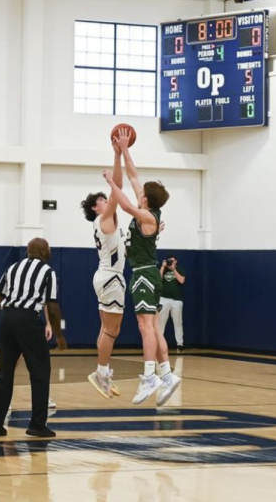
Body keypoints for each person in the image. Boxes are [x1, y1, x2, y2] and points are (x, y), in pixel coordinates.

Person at [103, 133, 180, 406]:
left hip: (144, 274)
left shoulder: (146, 215)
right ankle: (168, 375)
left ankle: (149, 377)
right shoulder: (149, 209)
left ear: (146, 199)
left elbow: (123, 205)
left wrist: (111, 182)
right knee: (155, 328)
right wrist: (123, 150)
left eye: (142, 193)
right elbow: (134, 175)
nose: (139, 191)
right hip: (146, 273)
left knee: (145, 326)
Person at [0, 238, 65, 438]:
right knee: (40, 372)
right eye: (48, 249)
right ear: (43, 252)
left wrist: (12, 309)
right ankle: (37, 425)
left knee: (5, 371)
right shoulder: (48, 272)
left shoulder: (12, 268)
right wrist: (59, 335)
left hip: (6, 319)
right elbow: (53, 307)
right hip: (29, 321)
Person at [82, 129, 129, 399]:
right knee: (112, 331)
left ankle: (103, 372)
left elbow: (117, 190)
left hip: (105, 275)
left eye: (104, 198)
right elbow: (119, 187)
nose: (105, 200)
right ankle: (100, 372)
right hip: (110, 277)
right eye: (100, 201)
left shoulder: (105, 222)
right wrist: (118, 154)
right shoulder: (104, 218)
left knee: (107, 329)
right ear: (96, 209)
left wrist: (117, 155)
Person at [159, 255, 186, 352]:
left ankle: (180, 343)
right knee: (161, 321)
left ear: (176, 261)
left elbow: (182, 280)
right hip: (163, 299)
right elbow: (158, 280)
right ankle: (159, 342)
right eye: (169, 261)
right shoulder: (164, 269)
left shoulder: (180, 269)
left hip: (177, 300)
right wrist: (162, 267)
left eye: (173, 261)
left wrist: (174, 270)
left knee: (178, 322)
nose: (171, 262)